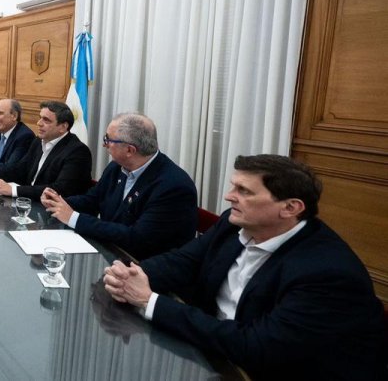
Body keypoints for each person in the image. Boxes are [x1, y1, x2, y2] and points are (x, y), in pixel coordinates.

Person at [102, 155, 387, 380]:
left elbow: (256, 347)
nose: (229, 196)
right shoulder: (234, 223)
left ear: (290, 208)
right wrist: (130, 274)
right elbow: (183, 261)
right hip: (216, 352)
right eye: (233, 186)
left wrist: (148, 300)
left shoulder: (326, 273)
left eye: (244, 191)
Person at [41, 112, 197, 259]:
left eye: (108, 140)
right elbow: (93, 200)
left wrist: (74, 218)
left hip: (143, 265)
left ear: (129, 150)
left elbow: (136, 238)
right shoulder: (116, 167)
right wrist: (58, 202)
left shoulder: (174, 187)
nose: (105, 145)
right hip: (112, 252)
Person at [0, 101, 92, 200]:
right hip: (29, 202)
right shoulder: (38, 141)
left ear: (63, 127)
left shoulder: (78, 151)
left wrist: (13, 190)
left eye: (46, 120)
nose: (39, 123)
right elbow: (20, 168)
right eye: (40, 118)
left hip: (54, 211)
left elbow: (59, 189)